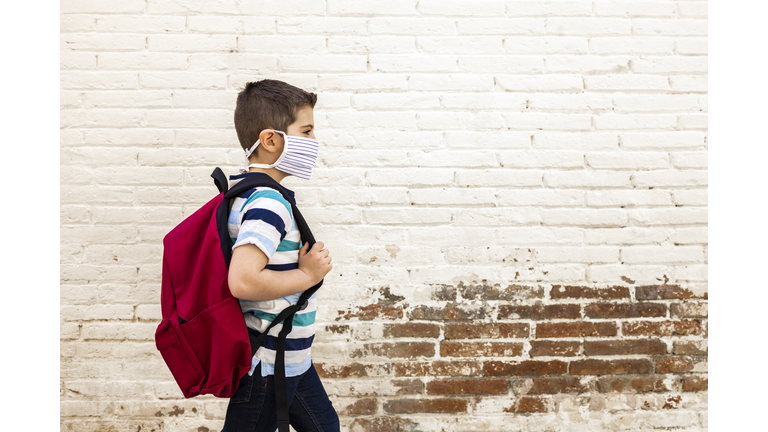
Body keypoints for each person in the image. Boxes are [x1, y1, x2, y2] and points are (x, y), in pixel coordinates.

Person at [222, 79, 340, 432]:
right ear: (271, 140)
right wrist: (307, 275)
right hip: (267, 364)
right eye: (306, 131)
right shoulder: (268, 203)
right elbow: (242, 280)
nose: (314, 142)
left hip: (290, 357)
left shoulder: (252, 193)